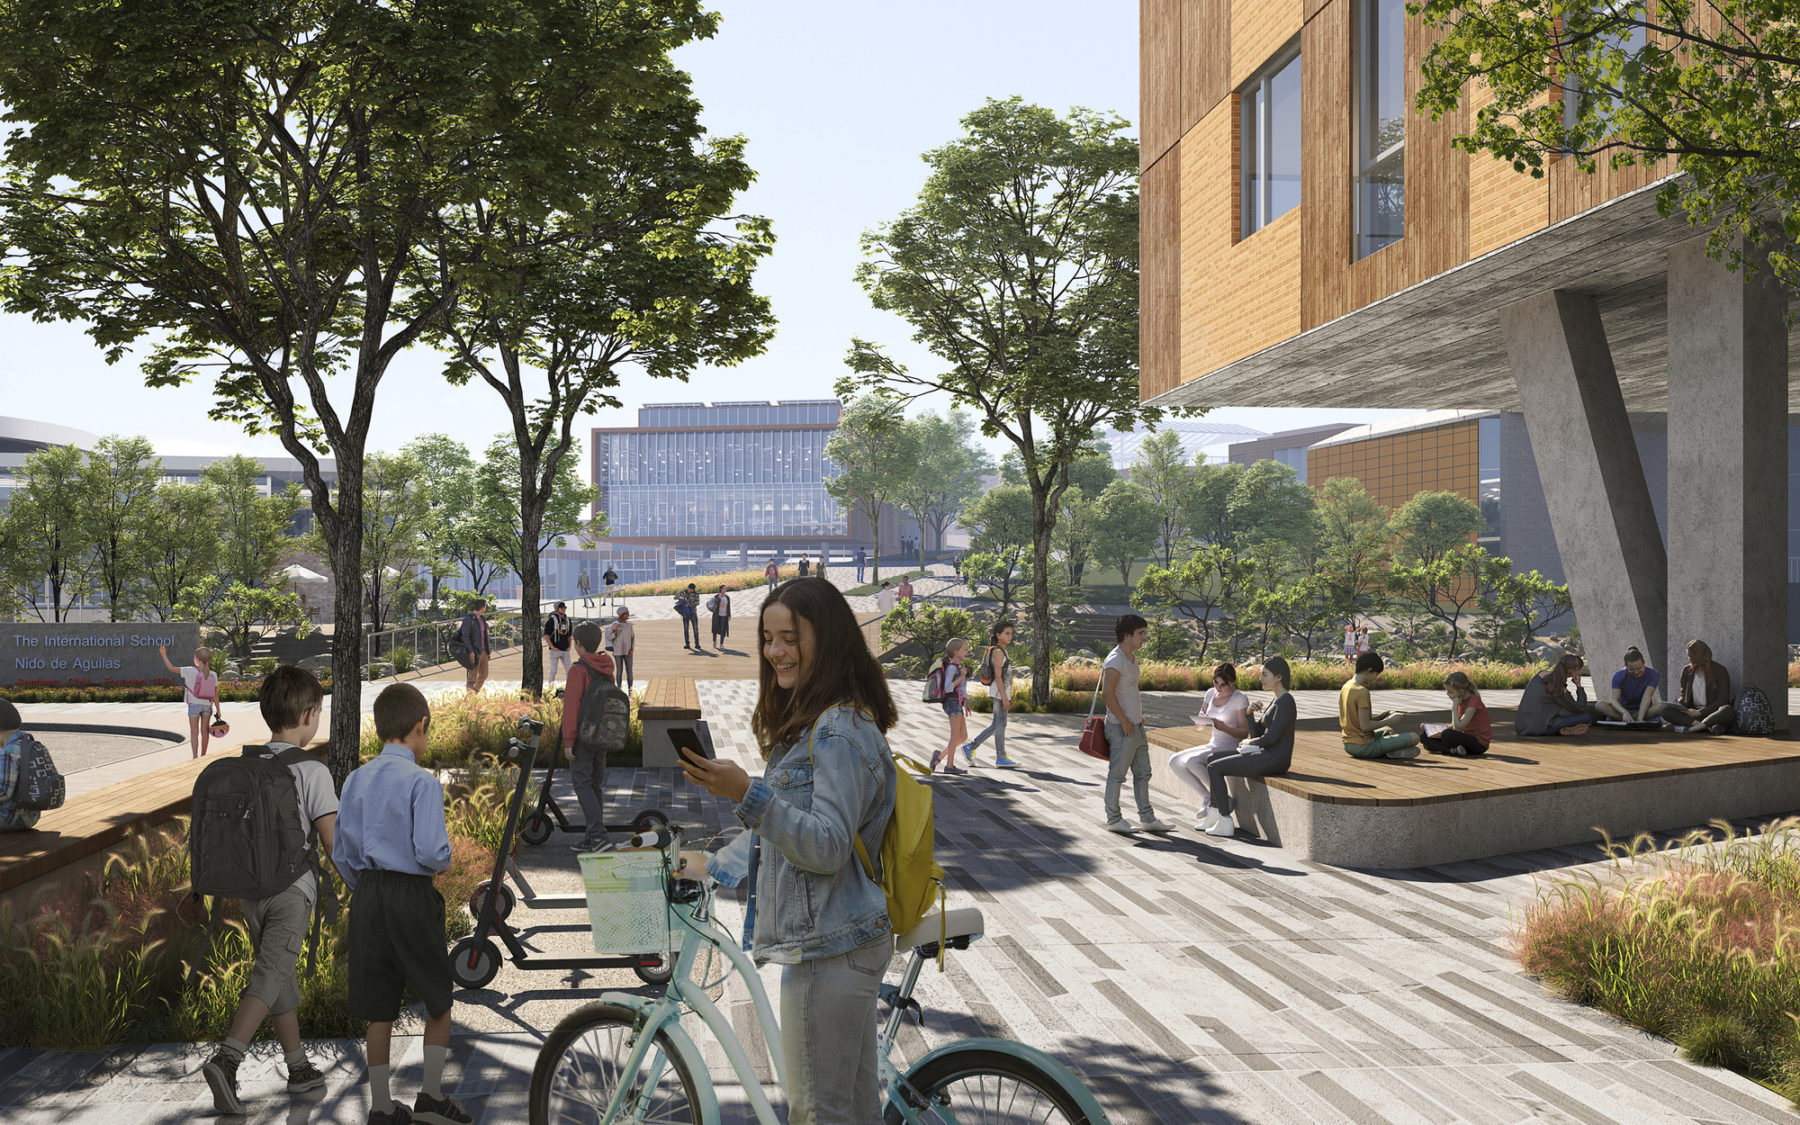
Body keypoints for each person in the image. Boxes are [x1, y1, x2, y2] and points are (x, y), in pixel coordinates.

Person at [677, 577, 898, 1125]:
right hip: (841, 939)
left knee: (818, 1115)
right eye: (768, 638)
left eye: (791, 638)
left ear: (828, 639)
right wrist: (700, 865)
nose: (776, 651)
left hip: (829, 949)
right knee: (850, 1114)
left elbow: (824, 846)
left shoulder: (836, 730)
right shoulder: (819, 723)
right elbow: (778, 833)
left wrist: (744, 791)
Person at [199, 667, 338, 1114]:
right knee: (270, 973)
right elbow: (333, 841)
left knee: (278, 972)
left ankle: (297, 1067)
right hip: (292, 888)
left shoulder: (251, 764)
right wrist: (359, 882)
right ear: (310, 714)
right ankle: (228, 1059)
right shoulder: (313, 770)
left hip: (249, 888)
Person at [332, 683, 467, 1125]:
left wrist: (364, 885)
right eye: (427, 733)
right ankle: (430, 1096)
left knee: (378, 1003)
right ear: (420, 726)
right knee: (438, 996)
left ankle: (382, 1107)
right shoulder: (421, 782)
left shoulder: (356, 778)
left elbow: (343, 852)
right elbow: (430, 851)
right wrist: (444, 862)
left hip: (368, 893)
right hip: (410, 893)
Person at [1200, 657, 1298, 838]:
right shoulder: (1276, 700)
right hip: (1264, 753)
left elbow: (1270, 738)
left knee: (1215, 767)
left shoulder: (1286, 702)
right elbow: (1257, 734)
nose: (1261, 678)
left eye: (1265, 674)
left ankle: (1224, 820)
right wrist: (1249, 714)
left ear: (1278, 677)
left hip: (1274, 759)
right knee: (1211, 758)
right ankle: (1214, 811)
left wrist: (1248, 743)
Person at [1101, 614, 1175, 833]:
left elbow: (1129, 692)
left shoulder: (1131, 658)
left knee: (1143, 773)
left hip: (1136, 726)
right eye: (1141, 633)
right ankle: (1113, 819)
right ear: (1127, 635)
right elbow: (1107, 694)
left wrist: (1136, 716)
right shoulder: (1115, 661)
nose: (1145, 637)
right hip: (1121, 727)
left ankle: (1147, 818)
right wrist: (1124, 720)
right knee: (1117, 775)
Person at [1167, 662, 1251, 825]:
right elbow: (1202, 717)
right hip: (1214, 744)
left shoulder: (1240, 699)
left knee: (1193, 762)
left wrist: (1224, 727)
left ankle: (1222, 799)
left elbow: (1244, 733)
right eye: (1215, 682)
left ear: (1232, 682)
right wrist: (1200, 721)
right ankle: (1208, 797)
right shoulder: (1210, 693)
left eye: (1223, 685)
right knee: (1175, 761)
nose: (1218, 688)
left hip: (1230, 747)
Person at [562, 621, 619, 852]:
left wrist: (569, 742)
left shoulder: (578, 670)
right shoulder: (606, 666)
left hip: (583, 738)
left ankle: (598, 836)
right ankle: (590, 836)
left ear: (577, 644)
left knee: (581, 783)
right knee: (594, 784)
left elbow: (571, 708)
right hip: (602, 735)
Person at [1340, 652, 1423, 759]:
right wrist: (1389, 721)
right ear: (1369, 671)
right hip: (1364, 746)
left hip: (1348, 744)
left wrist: (1381, 716)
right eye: (1376, 674)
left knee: (1388, 730)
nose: (1375, 678)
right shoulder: (1362, 692)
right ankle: (1387, 751)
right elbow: (1365, 727)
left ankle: (1390, 752)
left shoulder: (1346, 686)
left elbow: (1356, 720)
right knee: (1414, 737)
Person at [961, 622, 1021, 768]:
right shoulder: (998, 652)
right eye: (1006, 633)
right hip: (999, 692)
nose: (1010, 636)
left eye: (1011, 633)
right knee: (1001, 724)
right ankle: (1000, 757)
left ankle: (970, 747)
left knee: (996, 724)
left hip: (1000, 692)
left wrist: (1007, 697)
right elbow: (999, 677)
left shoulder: (1002, 650)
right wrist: (1004, 697)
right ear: (998, 635)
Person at [1654, 639, 1736, 734]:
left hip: (1712, 712)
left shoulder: (1720, 671)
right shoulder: (1686, 670)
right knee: (1666, 711)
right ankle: (1706, 726)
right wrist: (1678, 705)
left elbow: (1722, 700)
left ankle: (1690, 729)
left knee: (1728, 710)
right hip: (1693, 714)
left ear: (1697, 657)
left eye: (1690, 657)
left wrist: (1701, 712)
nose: (1689, 659)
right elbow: (1684, 696)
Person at [159, 642, 219, 758]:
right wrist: (218, 709)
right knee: (205, 731)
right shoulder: (213, 674)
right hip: (207, 705)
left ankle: (195, 756)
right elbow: (215, 693)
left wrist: (163, 654)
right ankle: (204, 755)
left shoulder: (189, 670)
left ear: (197, 660)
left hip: (194, 705)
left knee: (194, 732)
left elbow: (171, 668)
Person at [1514, 653, 1595, 736]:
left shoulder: (1541, 674)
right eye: (1578, 670)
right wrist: (1579, 686)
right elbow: (1580, 708)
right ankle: (1563, 730)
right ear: (1571, 671)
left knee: (1581, 708)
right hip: (1537, 729)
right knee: (1586, 716)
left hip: (1521, 726)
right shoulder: (1558, 687)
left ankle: (1567, 728)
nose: (1579, 672)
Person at [926, 638, 971, 776]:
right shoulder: (952, 667)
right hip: (952, 703)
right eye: (964, 649)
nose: (967, 651)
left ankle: (939, 757)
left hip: (958, 703)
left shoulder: (957, 667)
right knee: (954, 736)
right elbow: (948, 687)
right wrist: (961, 677)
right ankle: (949, 766)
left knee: (962, 737)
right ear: (956, 652)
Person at [1421, 671, 1492, 756]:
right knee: (1424, 736)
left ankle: (1447, 749)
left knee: (1447, 735)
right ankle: (1454, 750)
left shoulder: (1473, 702)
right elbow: (1454, 725)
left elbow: (1458, 728)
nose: (1447, 694)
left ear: (1461, 692)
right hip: (1463, 739)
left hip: (1478, 744)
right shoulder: (1460, 700)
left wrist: (1454, 707)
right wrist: (1431, 729)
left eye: (1450, 692)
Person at [0, 699, 41, 832]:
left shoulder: (8, 753)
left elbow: (3, 793)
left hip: (10, 819)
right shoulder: (28, 743)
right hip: (31, 815)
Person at [1596, 646, 1661, 723]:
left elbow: (1647, 697)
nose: (1636, 672)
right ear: (1626, 666)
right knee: (1599, 705)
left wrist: (1640, 718)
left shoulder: (1653, 675)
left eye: (1639, 668)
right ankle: (1628, 720)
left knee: (1662, 706)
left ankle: (1630, 721)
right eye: (1631, 670)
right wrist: (1624, 712)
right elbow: (1614, 700)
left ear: (1644, 663)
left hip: (1643, 710)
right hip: (1623, 710)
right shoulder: (1619, 675)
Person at [455, 599, 491, 694]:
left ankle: (474, 694)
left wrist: (488, 652)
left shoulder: (482, 619)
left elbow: (485, 636)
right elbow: (465, 637)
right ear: (482, 607)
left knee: (484, 674)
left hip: (483, 651)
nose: (486, 607)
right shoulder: (469, 619)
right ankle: (471, 698)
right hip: (474, 652)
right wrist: (470, 652)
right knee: (472, 677)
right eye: (485, 606)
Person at [605, 607, 636, 691]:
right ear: (621, 615)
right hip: (618, 651)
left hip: (628, 651)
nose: (627, 616)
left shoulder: (629, 625)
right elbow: (609, 637)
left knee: (629, 671)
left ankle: (630, 689)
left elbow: (633, 638)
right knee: (619, 671)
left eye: (628, 614)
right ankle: (619, 689)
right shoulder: (615, 624)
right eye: (625, 614)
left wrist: (632, 649)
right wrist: (616, 632)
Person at [543, 601, 574, 685]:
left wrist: (569, 646)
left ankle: (569, 688)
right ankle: (550, 688)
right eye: (561, 608)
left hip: (565, 649)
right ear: (557, 609)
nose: (564, 609)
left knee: (569, 671)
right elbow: (546, 635)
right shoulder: (552, 620)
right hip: (555, 650)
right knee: (553, 671)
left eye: (565, 607)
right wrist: (552, 647)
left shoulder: (568, 620)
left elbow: (570, 635)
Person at [677, 583, 702, 650]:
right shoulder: (683, 592)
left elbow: (697, 603)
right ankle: (687, 644)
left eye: (693, 590)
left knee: (695, 629)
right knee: (686, 629)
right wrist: (680, 597)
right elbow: (675, 597)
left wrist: (689, 604)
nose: (692, 591)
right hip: (685, 613)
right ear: (689, 588)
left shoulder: (696, 594)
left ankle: (697, 644)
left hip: (693, 612)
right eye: (691, 589)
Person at [709, 585, 732, 649]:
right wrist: (719, 597)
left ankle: (721, 644)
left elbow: (728, 607)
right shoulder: (716, 596)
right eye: (724, 588)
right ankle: (714, 642)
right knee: (715, 630)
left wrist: (729, 615)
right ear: (721, 589)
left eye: (726, 588)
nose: (725, 589)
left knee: (723, 630)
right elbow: (715, 603)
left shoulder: (727, 597)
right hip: (717, 616)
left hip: (724, 616)